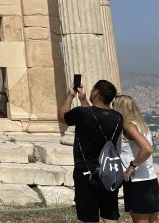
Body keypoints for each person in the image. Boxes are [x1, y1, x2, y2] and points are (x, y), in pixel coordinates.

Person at [58, 79, 123, 223]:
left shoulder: (82, 113)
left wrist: (70, 95)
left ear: (96, 92)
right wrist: (83, 99)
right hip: (109, 171)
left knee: (89, 218)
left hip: (86, 172)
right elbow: (93, 116)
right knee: (110, 215)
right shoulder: (118, 118)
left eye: (93, 89)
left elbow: (62, 117)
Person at [113, 94, 158, 223]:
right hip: (150, 178)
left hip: (136, 181)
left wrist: (132, 166)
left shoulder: (128, 125)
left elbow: (147, 149)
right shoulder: (142, 125)